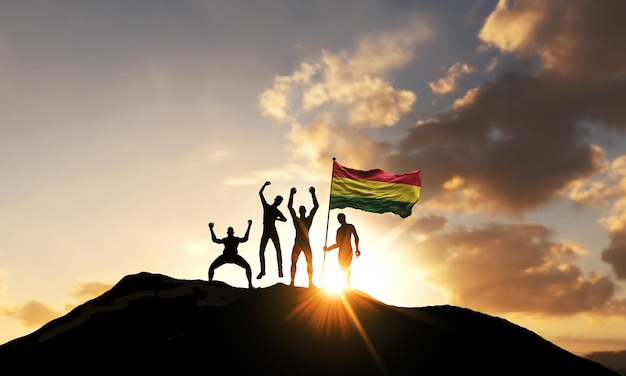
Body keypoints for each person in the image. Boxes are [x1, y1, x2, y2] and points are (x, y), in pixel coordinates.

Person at [287, 186, 319, 288]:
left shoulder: (306, 220)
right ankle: (292, 282)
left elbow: (315, 207)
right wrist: (291, 195)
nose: (301, 210)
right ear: (303, 211)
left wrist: (313, 194)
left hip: (304, 243)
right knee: (295, 263)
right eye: (301, 209)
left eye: (302, 209)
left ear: (303, 211)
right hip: (300, 243)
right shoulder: (299, 220)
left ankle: (310, 282)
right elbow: (290, 207)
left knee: (308, 263)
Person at [208, 220, 254, 289]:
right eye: (229, 232)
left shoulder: (235, 239)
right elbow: (215, 240)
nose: (230, 234)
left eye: (230, 232)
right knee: (211, 267)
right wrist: (211, 229)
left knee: (247, 267)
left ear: (231, 233)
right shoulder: (226, 240)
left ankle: (250, 284)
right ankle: (210, 283)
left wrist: (249, 226)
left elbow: (245, 239)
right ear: (229, 233)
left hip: (233, 256)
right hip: (226, 256)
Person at [257, 181, 288, 279]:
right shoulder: (268, 207)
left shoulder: (275, 210)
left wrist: (277, 219)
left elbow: (285, 219)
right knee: (262, 250)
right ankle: (262, 271)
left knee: (278, 250)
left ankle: (280, 270)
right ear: (275, 200)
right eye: (278, 201)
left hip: (271, 230)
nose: (278, 203)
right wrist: (264, 186)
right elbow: (260, 194)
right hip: (267, 230)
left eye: (279, 202)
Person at [323, 213, 361, 288]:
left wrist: (357, 248)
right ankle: (345, 284)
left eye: (340, 218)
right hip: (341, 252)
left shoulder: (350, 226)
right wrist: (328, 249)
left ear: (344, 218)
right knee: (342, 268)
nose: (340, 220)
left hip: (348, 250)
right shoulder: (339, 230)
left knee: (347, 267)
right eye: (338, 219)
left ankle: (347, 284)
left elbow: (356, 237)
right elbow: (338, 244)